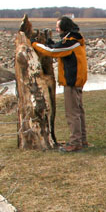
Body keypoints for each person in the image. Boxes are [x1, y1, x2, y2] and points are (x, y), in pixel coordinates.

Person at [31, 16, 89, 152]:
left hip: (72, 82)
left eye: (58, 27)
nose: (56, 29)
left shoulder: (71, 42)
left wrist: (34, 44)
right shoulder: (73, 39)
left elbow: (53, 51)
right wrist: (50, 42)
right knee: (78, 111)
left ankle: (75, 142)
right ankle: (82, 140)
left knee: (72, 113)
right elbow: (58, 46)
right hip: (76, 81)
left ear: (64, 27)